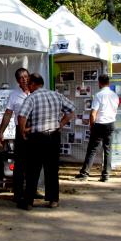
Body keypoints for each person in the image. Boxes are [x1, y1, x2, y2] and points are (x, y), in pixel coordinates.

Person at [17, 73, 75, 210]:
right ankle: (53, 200)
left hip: (37, 138)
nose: (28, 87)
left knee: (32, 170)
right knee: (52, 169)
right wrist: (61, 124)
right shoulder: (56, 95)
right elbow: (72, 111)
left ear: (32, 84)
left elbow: (21, 116)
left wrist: (23, 131)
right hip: (54, 136)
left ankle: (29, 202)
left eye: (28, 84)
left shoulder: (31, 98)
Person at [74, 74, 119, 182]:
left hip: (99, 124)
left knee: (92, 149)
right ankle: (106, 175)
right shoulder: (115, 95)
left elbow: (93, 113)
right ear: (108, 82)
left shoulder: (98, 95)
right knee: (107, 149)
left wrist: (91, 125)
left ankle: (85, 173)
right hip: (111, 123)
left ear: (99, 82)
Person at [0, 68, 30, 203]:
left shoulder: (36, 92)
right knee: (20, 163)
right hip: (20, 130)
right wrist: (1, 131)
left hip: (35, 130)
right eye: (21, 77)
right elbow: (8, 114)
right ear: (17, 81)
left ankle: (31, 191)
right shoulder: (14, 95)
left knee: (33, 163)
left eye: (26, 76)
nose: (25, 79)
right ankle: (18, 193)